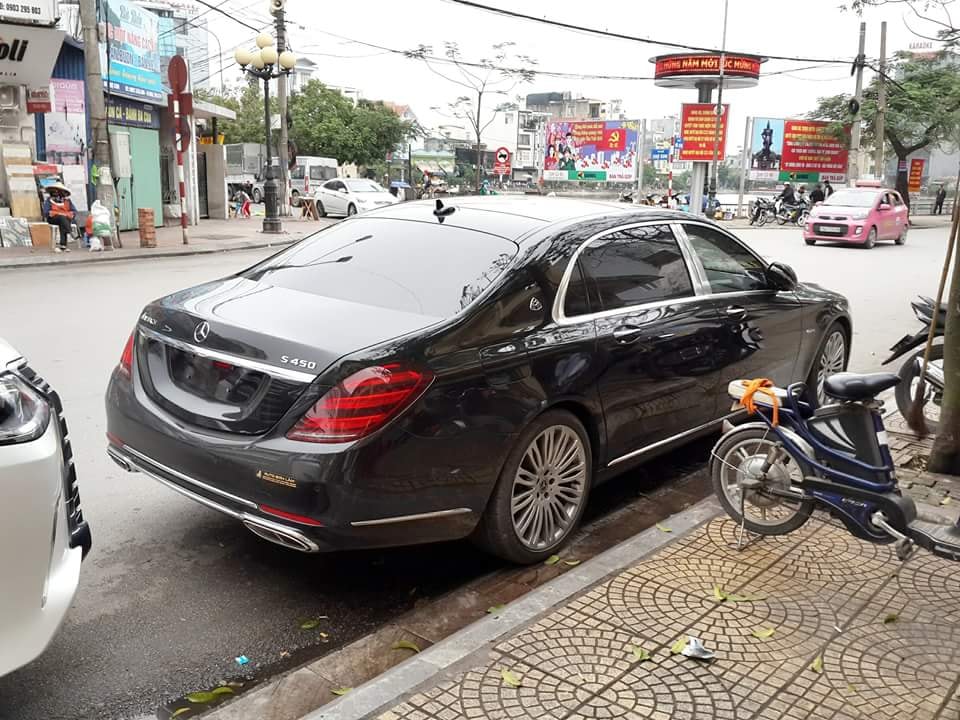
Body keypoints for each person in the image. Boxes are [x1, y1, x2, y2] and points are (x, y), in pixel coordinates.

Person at [42, 182, 77, 252]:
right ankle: (70, 232)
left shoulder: (67, 201)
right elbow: (46, 212)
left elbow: (74, 211)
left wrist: (68, 214)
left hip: (65, 219)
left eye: (58, 191)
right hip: (53, 219)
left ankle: (63, 246)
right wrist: (58, 213)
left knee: (63, 221)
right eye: (54, 191)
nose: (56, 193)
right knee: (62, 218)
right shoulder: (49, 200)